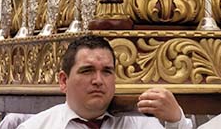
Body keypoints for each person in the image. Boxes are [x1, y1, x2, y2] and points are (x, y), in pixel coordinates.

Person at [17, 36, 191, 129]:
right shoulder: (37, 126)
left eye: (107, 71)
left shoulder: (140, 124)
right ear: (63, 80)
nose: (98, 81)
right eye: (87, 71)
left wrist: (176, 120)